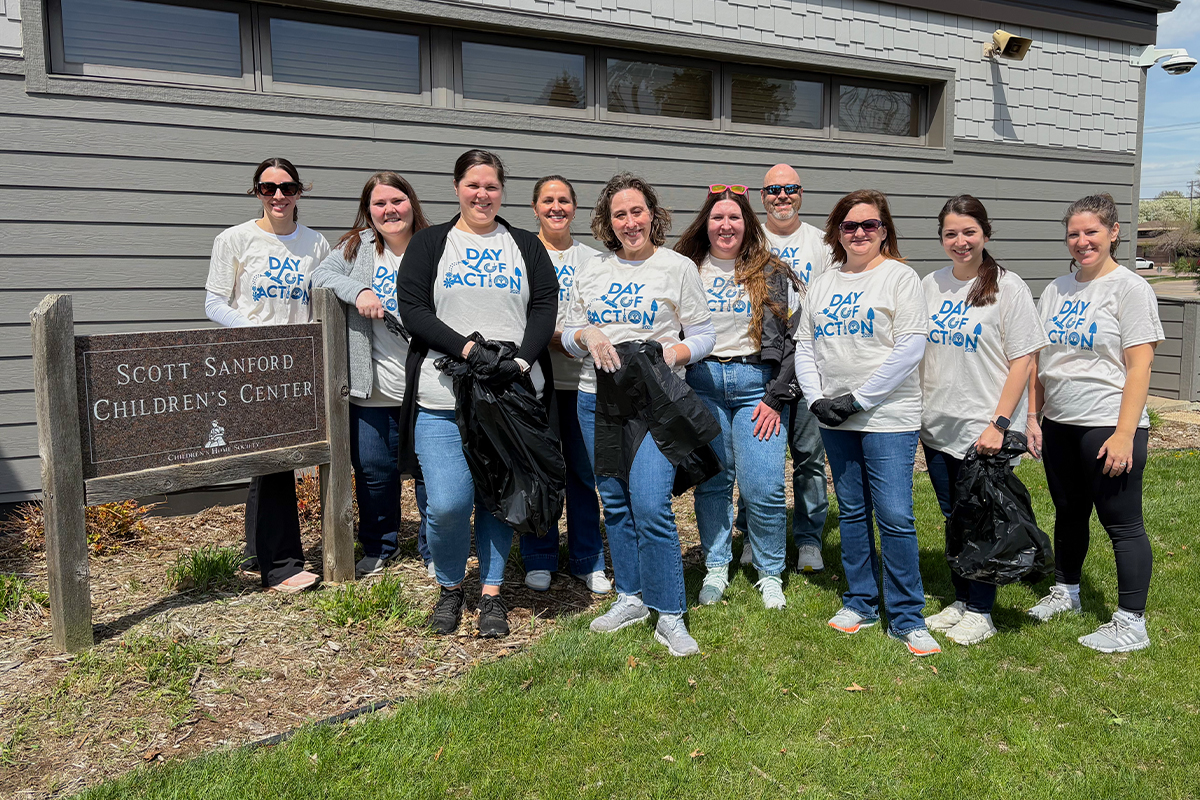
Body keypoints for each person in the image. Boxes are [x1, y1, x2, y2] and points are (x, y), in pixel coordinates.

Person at [395, 150, 558, 639]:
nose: (482, 195)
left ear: (502, 191)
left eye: (491, 186)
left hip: (509, 398)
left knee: (499, 498)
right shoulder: (430, 243)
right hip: (442, 397)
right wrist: (468, 350)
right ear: (456, 187)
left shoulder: (525, 244)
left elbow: (545, 306)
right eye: (473, 185)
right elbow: (413, 309)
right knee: (447, 502)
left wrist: (520, 362)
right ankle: (450, 586)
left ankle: (490, 591)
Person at [562, 173, 716, 657]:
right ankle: (630, 596)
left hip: (658, 403)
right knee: (616, 500)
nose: (630, 221)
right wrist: (588, 336)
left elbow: (705, 334)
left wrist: (674, 355)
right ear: (608, 223)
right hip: (598, 399)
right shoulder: (591, 269)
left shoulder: (677, 268)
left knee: (650, 502)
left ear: (654, 214)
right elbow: (566, 335)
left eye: (637, 211)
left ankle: (669, 612)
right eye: (619, 214)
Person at [793, 189, 939, 656]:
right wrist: (817, 399)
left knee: (895, 516)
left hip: (887, 417)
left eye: (869, 225)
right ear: (838, 231)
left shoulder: (900, 278)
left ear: (884, 230)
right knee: (853, 511)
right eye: (850, 226)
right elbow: (806, 345)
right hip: (835, 417)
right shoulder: (823, 282)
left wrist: (858, 398)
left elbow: (910, 347)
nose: (859, 233)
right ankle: (860, 600)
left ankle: (907, 615)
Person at [1026, 193, 1163, 653]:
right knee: (1069, 512)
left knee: (1121, 522)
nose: (1082, 241)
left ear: (1114, 233)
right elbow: (1042, 359)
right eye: (1074, 234)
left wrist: (1125, 434)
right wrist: (1035, 415)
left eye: (1091, 232)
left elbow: (1140, 366)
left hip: (1108, 423)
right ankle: (1067, 591)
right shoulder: (1056, 290)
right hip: (1061, 421)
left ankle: (1131, 622)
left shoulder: (1129, 289)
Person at [919, 195, 1048, 645]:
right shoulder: (930, 284)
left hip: (986, 427)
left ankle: (981, 611)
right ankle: (961, 598)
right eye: (951, 233)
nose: (960, 241)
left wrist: (999, 422)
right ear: (941, 238)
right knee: (953, 515)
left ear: (985, 235)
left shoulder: (1007, 287)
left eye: (969, 232)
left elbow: (1024, 359)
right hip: (938, 424)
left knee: (984, 519)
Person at [204, 157, 330, 593]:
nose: (278, 196)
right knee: (273, 457)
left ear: (300, 192)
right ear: (256, 191)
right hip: (251, 363)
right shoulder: (235, 239)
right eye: (268, 188)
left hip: (298, 363)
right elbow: (215, 303)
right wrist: (262, 335)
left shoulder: (316, 245)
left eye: (288, 187)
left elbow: (320, 305)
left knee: (272, 459)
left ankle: (258, 552)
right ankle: (281, 566)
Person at [674, 184, 797, 610]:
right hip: (702, 386)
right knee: (712, 483)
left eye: (735, 217)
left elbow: (793, 340)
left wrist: (776, 397)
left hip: (755, 389)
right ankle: (715, 566)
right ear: (705, 225)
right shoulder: (685, 267)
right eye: (717, 218)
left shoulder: (771, 272)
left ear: (748, 224)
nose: (726, 225)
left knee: (763, 486)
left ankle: (769, 572)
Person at [310, 171, 431, 580]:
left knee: (430, 474)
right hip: (371, 387)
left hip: (426, 386)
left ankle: (435, 549)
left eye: (397, 200)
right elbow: (318, 277)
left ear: (411, 203)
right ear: (369, 211)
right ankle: (381, 546)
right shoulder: (356, 247)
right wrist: (358, 291)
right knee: (374, 476)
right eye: (379, 204)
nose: (389, 210)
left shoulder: (434, 245)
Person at [519, 176, 611, 595]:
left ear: (575, 208)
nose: (556, 207)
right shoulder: (521, 253)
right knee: (538, 469)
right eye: (547, 200)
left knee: (582, 472)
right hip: (533, 380)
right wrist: (557, 338)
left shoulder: (593, 260)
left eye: (564, 200)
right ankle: (538, 555)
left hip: (582, 382)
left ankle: (586, 558)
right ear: (535, 207)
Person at [753, 163, 832, 574]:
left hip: (808, 362)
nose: (782, 196)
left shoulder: (822, 243)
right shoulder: (749, 239)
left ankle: (808, 539)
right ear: (761, 196)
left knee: (808, 457)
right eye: (773, 190)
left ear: (801, 193)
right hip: (760, 362)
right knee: (754, 455)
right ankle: (753, 533)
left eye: (790, 188)